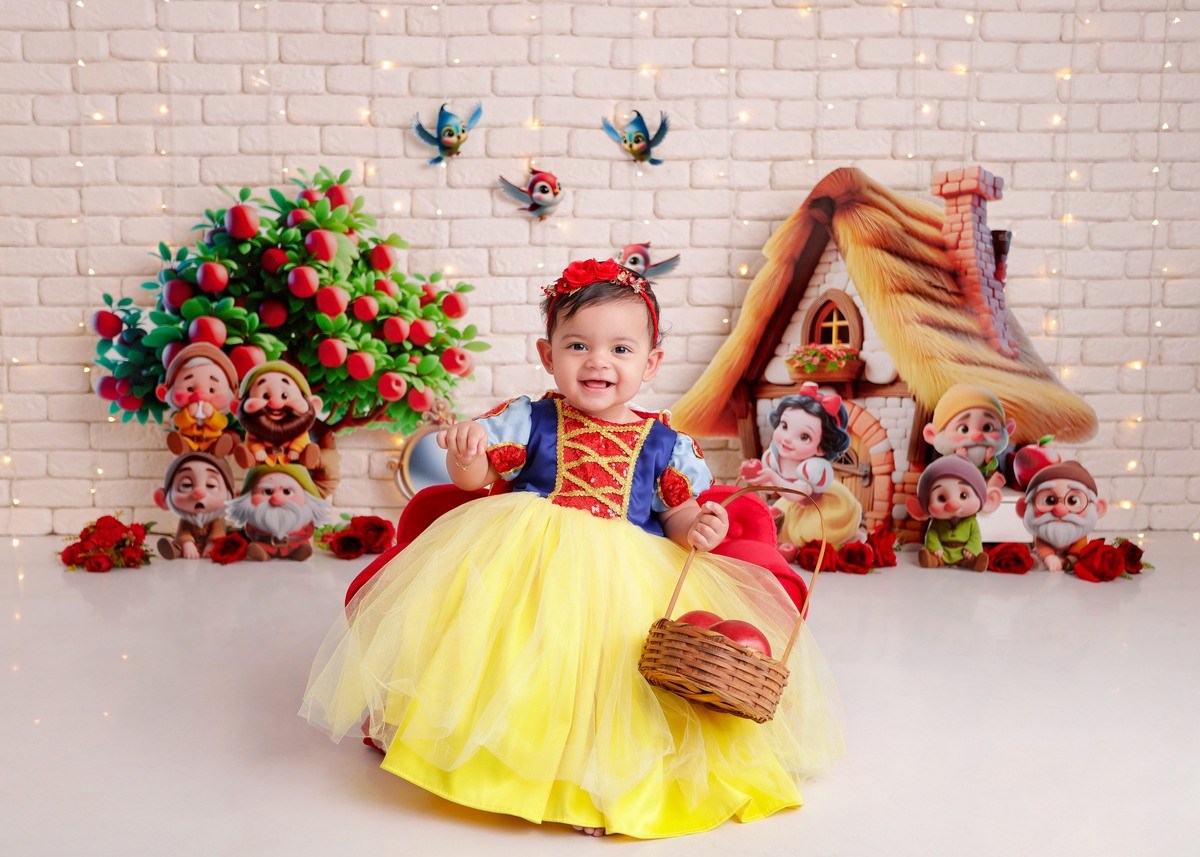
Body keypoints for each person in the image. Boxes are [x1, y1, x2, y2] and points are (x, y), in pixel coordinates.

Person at [300, 259, 844, 839]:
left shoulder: (665, 443)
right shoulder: (530, 418)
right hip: (526, 555)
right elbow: (475, 478)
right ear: (548, 353)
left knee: (612, 671)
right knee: (518, 652)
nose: (597, 362)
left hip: (625, 572)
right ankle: (505, 755)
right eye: (578, 345)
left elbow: (677, 515)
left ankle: (600, 776)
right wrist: (465, 454)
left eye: (620, 349)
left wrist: (699, 529)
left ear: (650, 362)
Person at [739, 385, 863, 548]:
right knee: (778, 526)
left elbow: (799, 494)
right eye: (784, 426)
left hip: (823, 504)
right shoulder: (775, 456)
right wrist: (758, 479)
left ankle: (850, 539)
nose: (787, 439)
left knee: (811, 535)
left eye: (804, 437)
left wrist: (772, 477)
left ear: (821, 448)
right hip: (795, 505)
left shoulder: (814, 467)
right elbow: (770, 490)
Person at [904, 455, 1002, 571]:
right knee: (935, 558)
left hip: (963, 553)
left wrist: (971, 549)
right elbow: (932, 535)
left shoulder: (971, 522)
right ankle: (931, 560)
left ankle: (973, 563)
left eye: (963, 496)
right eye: (941, 498)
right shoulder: (936, 523)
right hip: (943, 552)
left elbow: (975, 536)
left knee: (970, 559)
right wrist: (935, 547)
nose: (953, 505)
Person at [224, 464, 333, 561]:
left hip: (295, 545)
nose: (277, 499)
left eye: (287, 491)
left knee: (303, 548)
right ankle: (261, 553)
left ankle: (299, 551)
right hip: (264, 545)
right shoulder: (254, 520)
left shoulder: (304, 519)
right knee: (256, 549)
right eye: (268, 492)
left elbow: (309, 531)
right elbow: (251, 532)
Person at [1016, 461, 1107, 571]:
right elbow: (1042, 546)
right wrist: (1049, 557)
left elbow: (1079, 547)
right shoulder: (1041, 538)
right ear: (1023, 508)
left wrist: (1072, 558)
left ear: (1098, 509)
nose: (1060, 510)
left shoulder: (1080, 538)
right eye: (1049, 500)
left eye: (1073, 501)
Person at [153, 451, 235, 560]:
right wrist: (187, 544)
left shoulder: (214, 521)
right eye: (186, 485)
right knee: (179, 545)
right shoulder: (185, 521)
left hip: (207, 547)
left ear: (234, 498)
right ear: (163, 500)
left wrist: (212, 543)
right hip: (188, 546)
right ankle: (174, 550)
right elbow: (183, 533)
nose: (198, 493)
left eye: (211, 485)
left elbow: (217, 533)